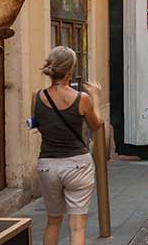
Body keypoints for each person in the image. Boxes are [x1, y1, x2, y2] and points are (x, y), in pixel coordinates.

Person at [34, 46, 102, 245]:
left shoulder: (37, 96)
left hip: (47, 164)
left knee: (52, 222)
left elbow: (39, 125)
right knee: (77, 226)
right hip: (77, 164)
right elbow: (96, 125)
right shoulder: (82, 99)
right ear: (71, 70)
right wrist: (96, 97)